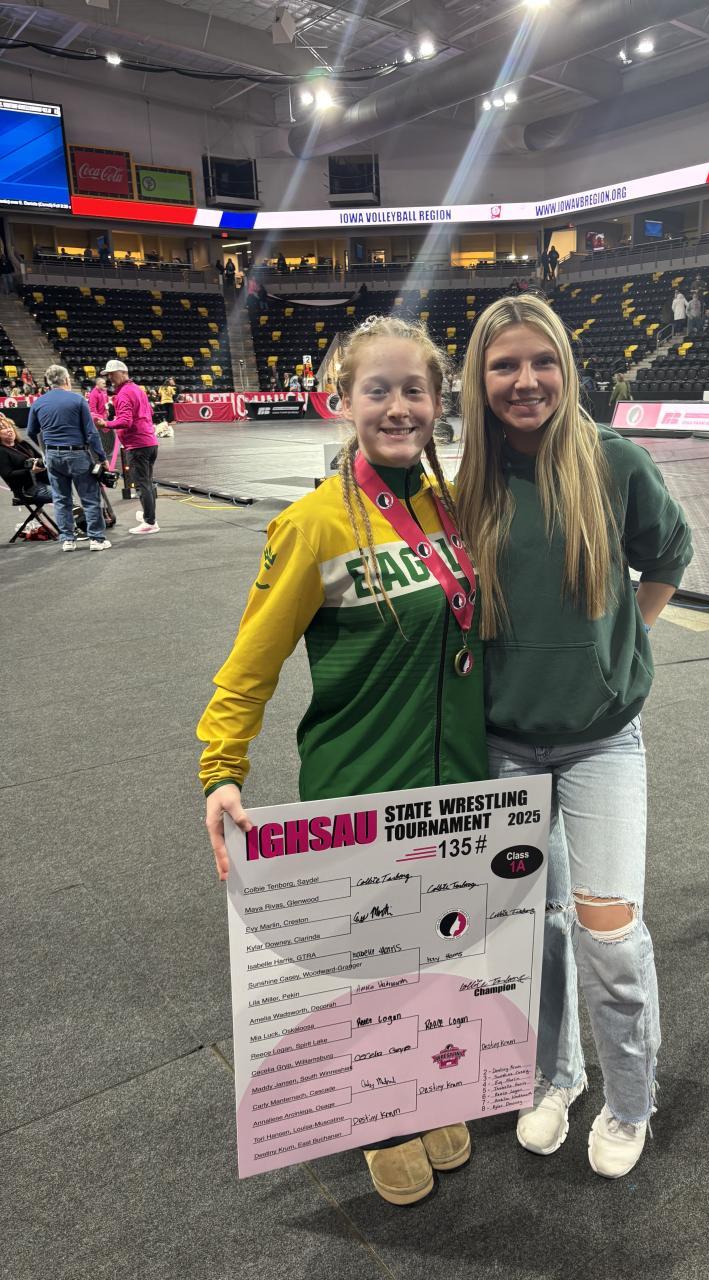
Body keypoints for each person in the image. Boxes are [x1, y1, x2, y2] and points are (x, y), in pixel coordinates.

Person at [197, 315, 485, 1207]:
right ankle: (378, 1118)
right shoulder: (312, 526)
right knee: (370, 964)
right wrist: (222, 769)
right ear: (341, 402)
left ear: (438, 402)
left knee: (439, 950)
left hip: (459, 784)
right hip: (360, 783)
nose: (399, 407)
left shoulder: (452, 509)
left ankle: (426, 1085)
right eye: (378, 390)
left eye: (415, 390)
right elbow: (250, 662)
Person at [456, 294, 693, 1180]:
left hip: (601, 741)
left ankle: (630, 1099)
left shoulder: (614, 462)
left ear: (566, 367)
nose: (526, 381)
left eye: (542, 361)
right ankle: (554, 1076)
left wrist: (623, 641)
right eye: (505, 365)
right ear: (480, 380)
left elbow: (669, 555)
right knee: (531, 930)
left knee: (609, 932)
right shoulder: (466, 485)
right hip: (503, 744)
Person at [25, 365, 110, 552]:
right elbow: (91, 432)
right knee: (89, 497)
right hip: (77, 454)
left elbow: (31, 431)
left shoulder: (39, 403)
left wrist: (45, 450)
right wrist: (102, 457)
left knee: (61, 499)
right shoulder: (77, 400)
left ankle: (67, 540)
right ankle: (96, 539)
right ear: (66, 380)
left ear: (49, 382)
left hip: (53, 456)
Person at [98, 359, 160, 535]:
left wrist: (106, 424)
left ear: (124, 373)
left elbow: (125, 421)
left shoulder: (124, 394)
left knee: (142, 484)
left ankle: (150, 522)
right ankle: (149, 516)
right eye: (108, 375)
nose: (110, 378)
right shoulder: (138, 389)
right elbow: (149, 412)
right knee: (147, 482)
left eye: (113, 374)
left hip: (137, 444)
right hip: (149, 442)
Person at [0, 414, 52, 505]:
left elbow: (41, 458)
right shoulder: (2, 451)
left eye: (10, 427)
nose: (9, 430)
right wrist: (31, 471)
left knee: (64, 486)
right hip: (26, 489)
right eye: (3, 428)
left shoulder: (23, 444)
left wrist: (38, 462)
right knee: (62, 493)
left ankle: (72, 510)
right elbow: (8, 474)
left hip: (42, 481)